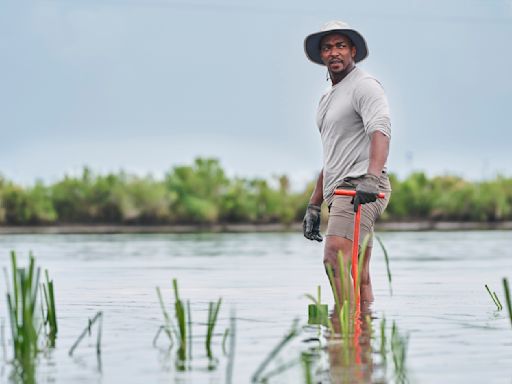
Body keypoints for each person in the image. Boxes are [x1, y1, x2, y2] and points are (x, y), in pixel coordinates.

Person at [302, 21, 392, 303]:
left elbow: (381, 129)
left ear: (353, 50)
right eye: (327, 48)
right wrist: (314, 204)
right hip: (339, 190)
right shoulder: (327, 98)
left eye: (340, 45)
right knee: (358, 271)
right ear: (321, 57)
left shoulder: (364, 86)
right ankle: (363, 339)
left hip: (358, 187)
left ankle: (341, 335)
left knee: (334, 260)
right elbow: (332, 156)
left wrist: (372, 177)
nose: (334, 52)